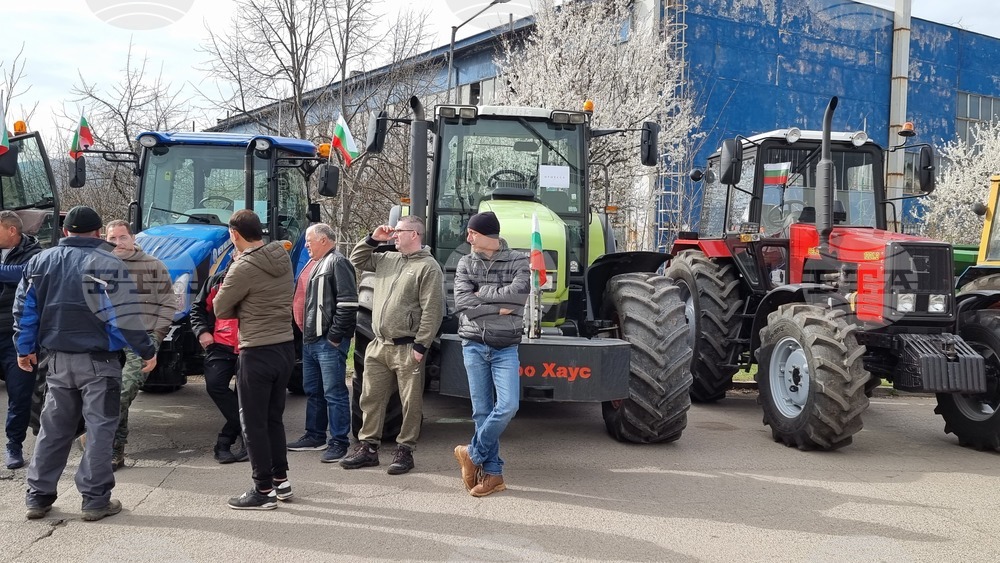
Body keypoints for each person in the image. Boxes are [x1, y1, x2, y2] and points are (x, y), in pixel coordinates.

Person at [14, 205, 157, 521]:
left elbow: (25, 313)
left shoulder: (39, 262)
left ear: (65, 231)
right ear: (97, 233)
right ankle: (94, 501)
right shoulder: (109, 263)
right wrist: (147, 351)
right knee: (100, 430)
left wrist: (23, 350)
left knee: (53, 431)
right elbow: (126, 318)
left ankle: (37, 497)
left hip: (57, 363)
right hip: (100, 365)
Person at [343, 215, 443, 475]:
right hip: (379, 345)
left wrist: (421, 346)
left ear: (415, 234)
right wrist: (374, 238)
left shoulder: (428, 267)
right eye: (394, 231)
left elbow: (432, 310)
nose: (395, 234)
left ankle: (405, 450)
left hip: (407, 347)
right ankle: (368, 448)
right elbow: (356, 260)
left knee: (410, 403)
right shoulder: (387, 259)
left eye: (400, 231)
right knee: (370, 397)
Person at [213, 210, 295, 510]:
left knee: (253, 422)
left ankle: (262, 490)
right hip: (285, 346)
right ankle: (280, 481)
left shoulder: (242, 268)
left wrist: (242, 308)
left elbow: (221, 309)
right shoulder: (280, 255)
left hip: (257, 350)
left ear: (235, 235)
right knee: (273, 418)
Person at [452, 211, 529, 497]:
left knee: (508, 406)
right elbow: (463, 302)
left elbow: (518, 296)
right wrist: (499, 304)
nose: (467, 237)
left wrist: (481, 293)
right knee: (482, 412)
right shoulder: (465, 262)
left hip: (505, 344)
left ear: (488, 235)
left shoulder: (518, 260)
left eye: (472, 232)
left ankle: (471, 453)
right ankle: (493, 475)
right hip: (473, 344)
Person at [104, 220, 176, 470]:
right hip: (107, 341)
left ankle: (111, 446)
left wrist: (156, 337)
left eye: (122, 237)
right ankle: (113, 449)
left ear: (133, 238)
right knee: (106, 393)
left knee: (123, 392)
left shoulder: (153, 266)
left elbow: (169, 304)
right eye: (112, 238)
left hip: (141, 339)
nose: (117, 243)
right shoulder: (99, 266)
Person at [286, 224, 358, 463]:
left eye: (310, 240)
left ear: (325, 240)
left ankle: (339, 442)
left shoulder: (337, 262)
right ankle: (314, 436)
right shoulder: (312, 262)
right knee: (313, 390)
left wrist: (335, 337)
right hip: (310, 340)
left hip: (327, 341)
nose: (306, 244)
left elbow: (347, 304)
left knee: (334, 393)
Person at [190, 250, 248, 464]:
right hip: (220, 346)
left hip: (249, 347)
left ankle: (225, 442)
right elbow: (196, 309)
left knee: (247, 395)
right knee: (214, 386)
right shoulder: (216, 281)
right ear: (233, 257)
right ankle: (246, 434)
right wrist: (202, 332)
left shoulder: (259, 282)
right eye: (239, 255)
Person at [0, 211, 42, 469]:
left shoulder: (36, 254)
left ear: (11, 230)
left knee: (20, 394)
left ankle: (14, 446)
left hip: (15, 336)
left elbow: (25, 273)